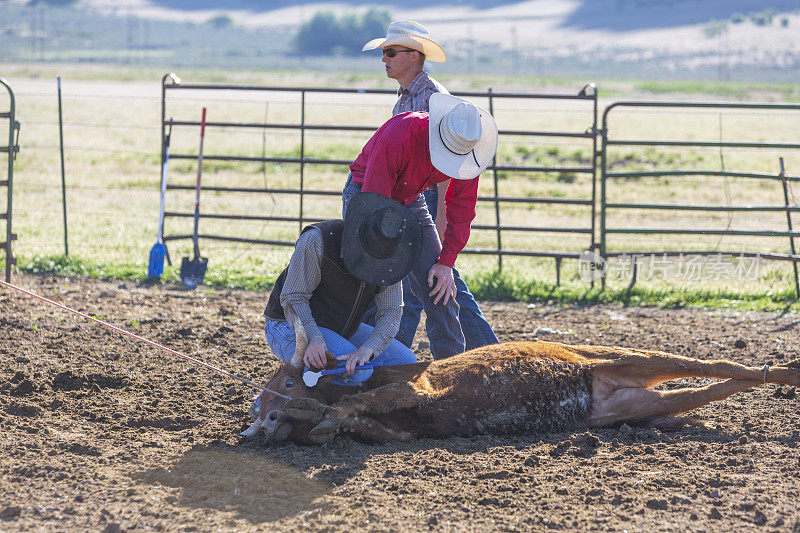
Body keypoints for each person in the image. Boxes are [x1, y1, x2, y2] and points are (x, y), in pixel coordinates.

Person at [361, 20, 499, 351]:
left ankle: (483, 352)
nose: (384, 58)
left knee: (436, 281)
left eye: (391, 51)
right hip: (413, 196)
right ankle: (396, 353)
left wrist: (439, 224)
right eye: (384, 52)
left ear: (414, 56)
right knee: (425, 283)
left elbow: (449, 173)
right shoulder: (410, 96)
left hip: (426, 198)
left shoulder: (433, 99)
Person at [342, 92, 498, 359]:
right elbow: (376, 200)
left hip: (412, 198)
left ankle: (450, 369)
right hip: (368, 197)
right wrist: (387, 253)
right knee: (373, 279)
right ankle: (369, 364)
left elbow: (462, 208)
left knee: (439, 284)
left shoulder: (466, 150)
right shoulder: (400, 133)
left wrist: (446, 261)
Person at [263, 192, 422, 387]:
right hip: (288, 324)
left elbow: (391, 311)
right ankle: (268, 399)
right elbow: (294, 297)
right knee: (358, 375)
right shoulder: (318, 240)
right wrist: (312, 337)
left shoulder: (392, 260)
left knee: (406, 364)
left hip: (341, 328)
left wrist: (367, 350)